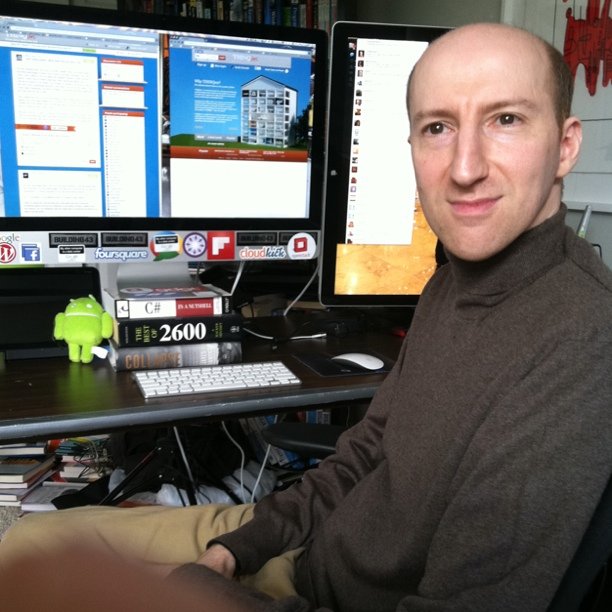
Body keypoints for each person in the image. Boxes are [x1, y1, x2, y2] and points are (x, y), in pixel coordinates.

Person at [2, 22, 612, 612]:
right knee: (21, 549)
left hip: (313, 592)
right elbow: (367, 450)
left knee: (42, 590)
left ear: (564, 146)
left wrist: (206, 592)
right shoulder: (455, 276)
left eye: (506, 120)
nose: (464, 167)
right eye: (437, 128)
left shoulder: (581, 345)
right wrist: (239, 549)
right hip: (301, 545)